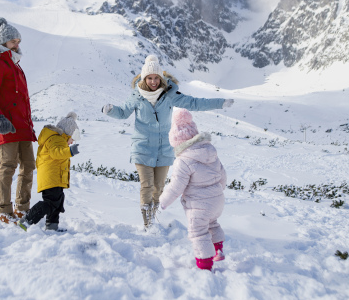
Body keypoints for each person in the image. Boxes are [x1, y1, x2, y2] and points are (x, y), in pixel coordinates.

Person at [102, 55, 234, 229]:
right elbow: (123, 113)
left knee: (159, 188)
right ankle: (147, 223)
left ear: (161, 78)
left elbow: (194, 103)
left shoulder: (170, 95)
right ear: (144, 78)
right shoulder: (136, 96)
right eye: (150, 78)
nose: (153, 81)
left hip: (164, 149)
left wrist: (220, 102)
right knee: (147, 185)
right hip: (142, 147)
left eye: (156, 78)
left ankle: (153, 217)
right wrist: (110, 110)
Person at [0, 17, 36, 222]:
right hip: (7, 125)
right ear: (4, 42)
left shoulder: (15, 64)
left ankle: (22, 208)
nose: (17, 44)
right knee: (8, 166)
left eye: (18, 41)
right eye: (13, 41)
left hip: (23, 125)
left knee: (28, 165)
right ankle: (4, 210)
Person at [159, 108, 227, 271]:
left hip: (199, 205)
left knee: (198, 232)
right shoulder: (210, 152)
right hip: (217, 201)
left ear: (177, 142)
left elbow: (176, 186)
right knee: (212, 223)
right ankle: (218, 249)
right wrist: (218, 191)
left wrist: (163, 201)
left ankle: (205, 265)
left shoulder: (183, 161)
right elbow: (223, 175)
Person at [18, 112, 81, 232]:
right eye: (72, 138)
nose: (72, 142)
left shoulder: (58, 139)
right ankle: (27, 220)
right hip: (51, 178)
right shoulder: (55, 139)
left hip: (56, 178)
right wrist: (70, 152)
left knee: (57, 202)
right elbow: (56, 153)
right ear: (67, 133)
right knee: (51, 203)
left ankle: (52, 226)